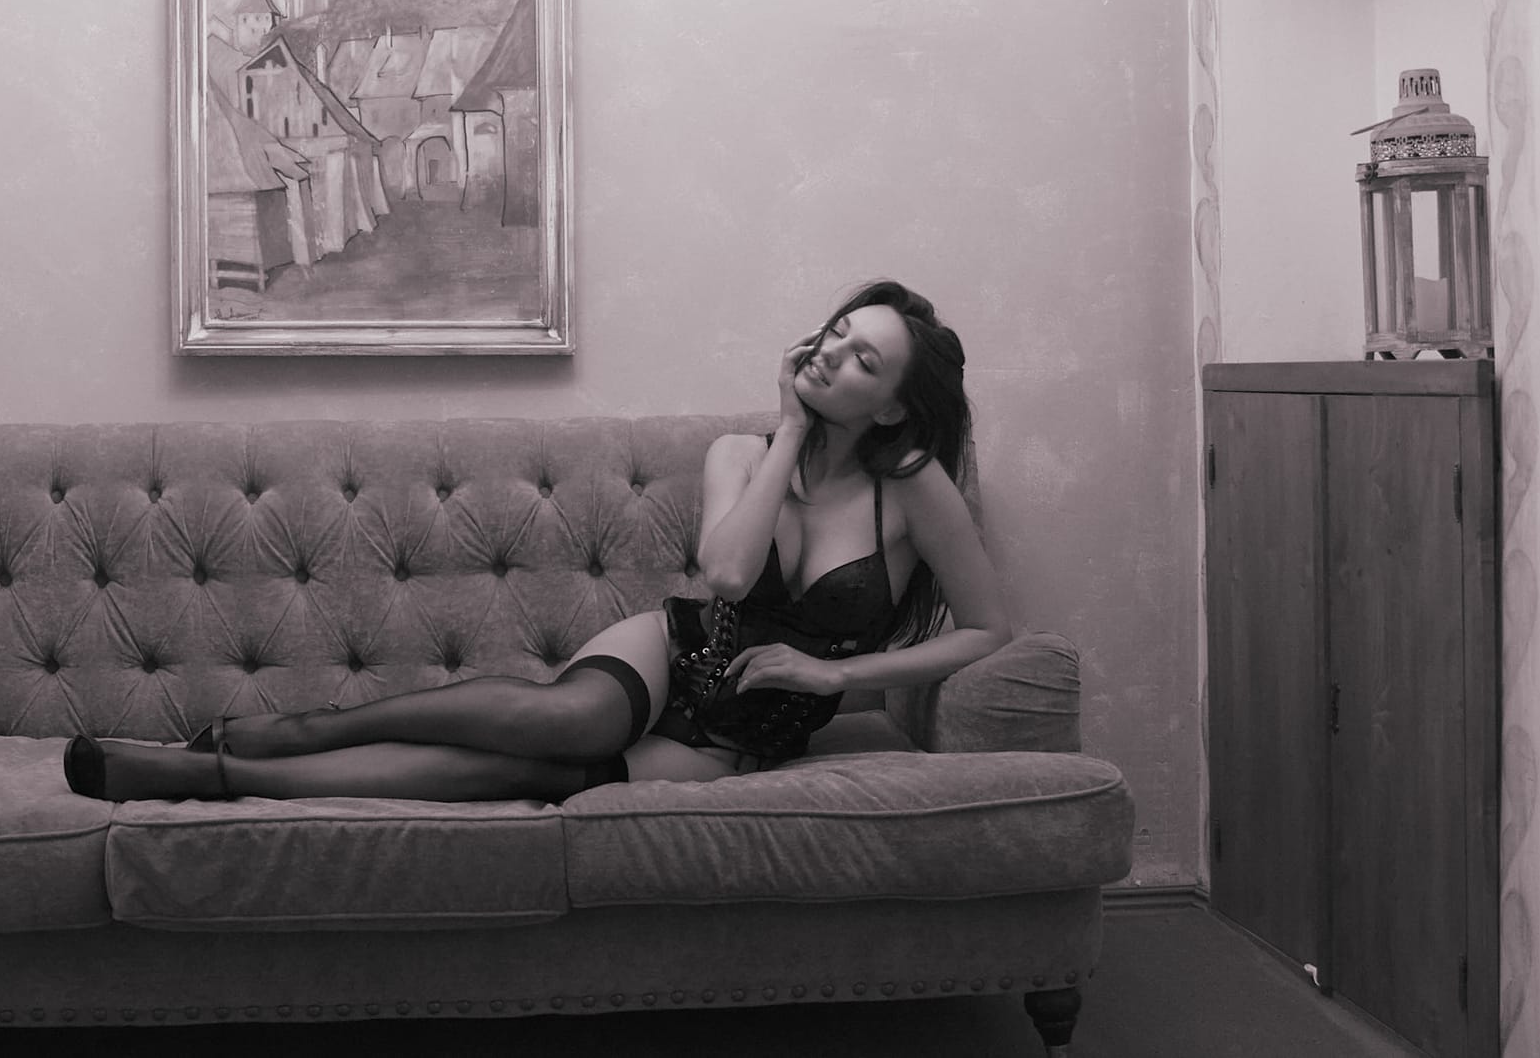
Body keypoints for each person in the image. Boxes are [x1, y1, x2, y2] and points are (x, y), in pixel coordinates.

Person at [63, 279, 1014, 803]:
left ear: (893, 406)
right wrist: (794, 430)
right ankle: (293, 730)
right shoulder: (743, 451)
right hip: (674, 650)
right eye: (835, 332)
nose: (833, 353)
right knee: (570, 722)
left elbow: (986, 630)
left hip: (740, 732)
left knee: (526, 775)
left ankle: (211, 773)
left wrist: (834, 675)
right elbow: (726, 576)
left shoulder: (913, 488)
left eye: (863, 358)